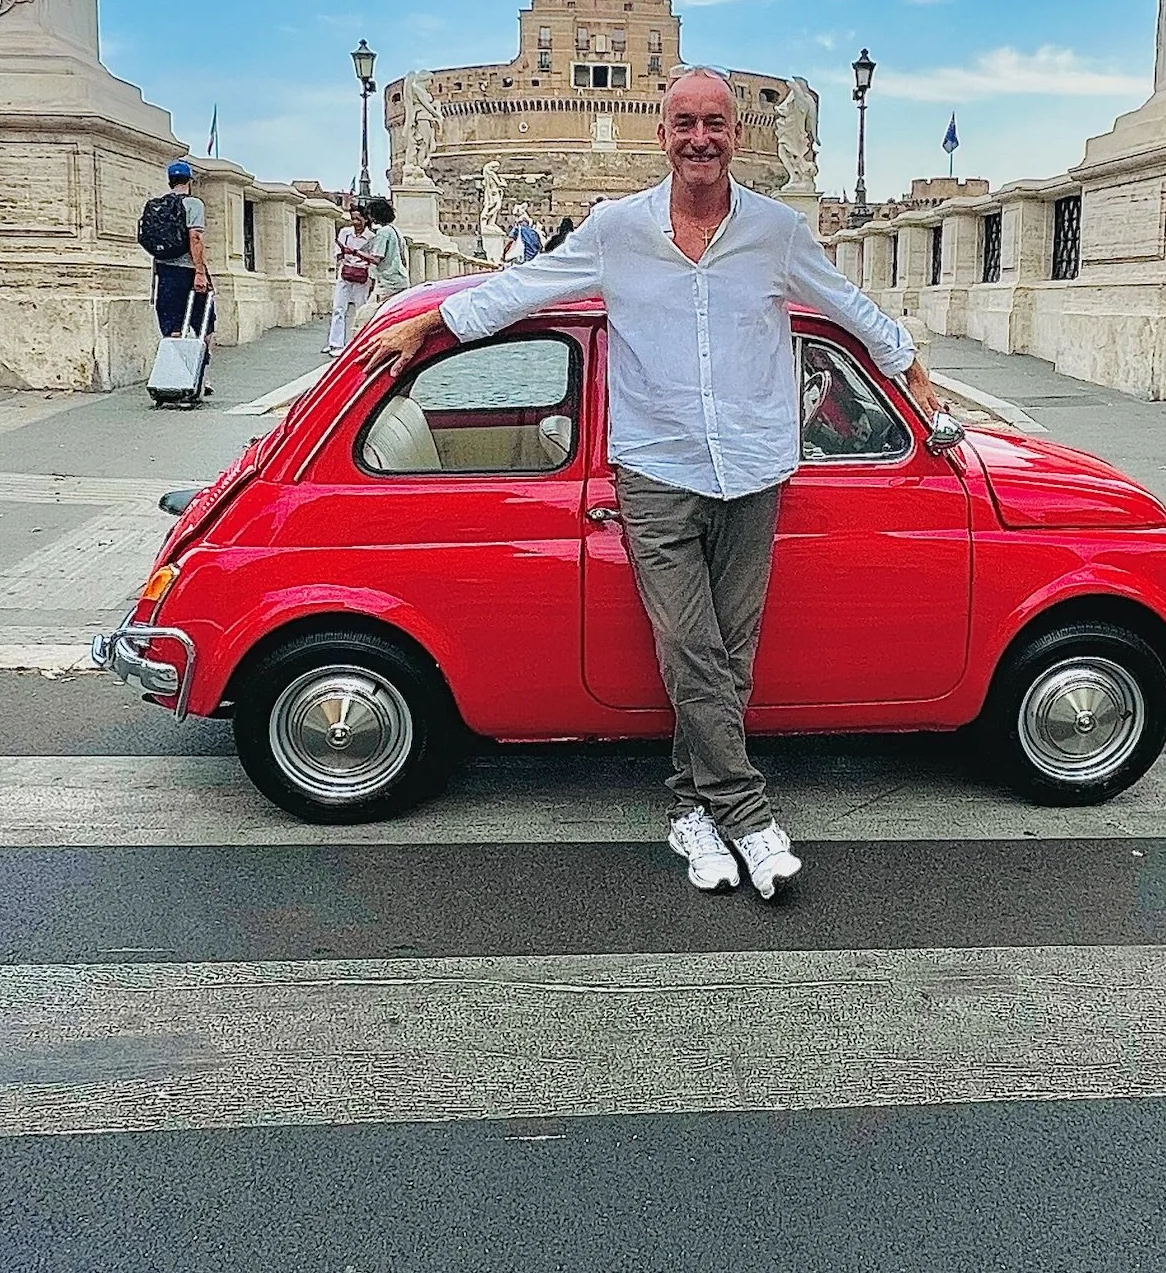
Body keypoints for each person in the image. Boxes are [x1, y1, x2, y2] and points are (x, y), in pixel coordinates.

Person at [364, 66, 942, 901]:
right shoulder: (615, 229)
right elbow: (525, 287)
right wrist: (433, 322)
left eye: (715, 122)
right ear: (661, 134)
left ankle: (690, 809)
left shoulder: (776, 233)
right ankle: (745, 811)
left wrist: (911, 371)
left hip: (751, 465)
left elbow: (848, 304)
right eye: (684, 123)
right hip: (657, 470)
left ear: (736, 135)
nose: (699, 138)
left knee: (729, 652)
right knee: (687, 643)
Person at [139, 159, 214, 388]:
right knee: (204, 323)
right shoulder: (194, 204)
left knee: (172, 326)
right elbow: (195, 238)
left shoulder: (156, 205)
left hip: (164, 271)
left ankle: (176, 376)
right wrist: (200, 272)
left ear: (170, 181)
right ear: (189, 181)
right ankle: (200, 376)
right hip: (188, 271)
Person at [353, 199, 409, 330]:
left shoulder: (383, 233)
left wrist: (357, 253)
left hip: (388, 282)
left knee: (365, 316)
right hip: (399, 278)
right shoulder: (395, 231)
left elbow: (376, 259)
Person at [326, 206, 374, 356]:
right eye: (353, 219)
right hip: (345, 272)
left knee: (361, 309)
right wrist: (342, 256)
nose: (355, 222)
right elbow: (338, 251)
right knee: (339, 308)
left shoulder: (371, 237)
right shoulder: (345, 233)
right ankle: (335, 343)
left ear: (365, 220)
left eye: (358, 219)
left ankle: (359, 343)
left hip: (362, 275)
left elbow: (372, 258)